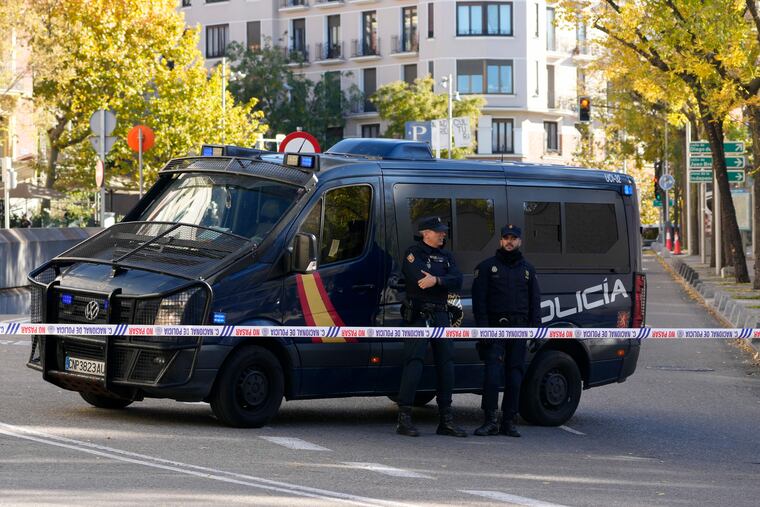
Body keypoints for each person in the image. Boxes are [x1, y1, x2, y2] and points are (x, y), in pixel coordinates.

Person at [396, 216, 466, 438]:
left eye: (443, 231)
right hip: (419, 315)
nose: (443, 234)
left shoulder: (447, 256)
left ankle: (446, 420)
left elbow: (458, 280)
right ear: (426, 233)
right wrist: (441, 279)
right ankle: (404, 419)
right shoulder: (413, 253)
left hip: (441, 314)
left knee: (446, 364)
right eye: (439, 231)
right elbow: (418, 280)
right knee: (414, 363)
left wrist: (437, 281)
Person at [472, 224, 541, 437]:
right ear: (500, 241)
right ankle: (490, 420)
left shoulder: (528, 270)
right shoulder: (486, 267)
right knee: (492, 375)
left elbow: (535, 301)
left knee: (514, 376)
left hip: (519, 329)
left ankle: (509, 421)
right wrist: (483, 330)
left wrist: (536, 330)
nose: (509, 241)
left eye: (514, 238)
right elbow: (479, 301)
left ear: (520, 241)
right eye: (506, 238)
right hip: (494, 328)